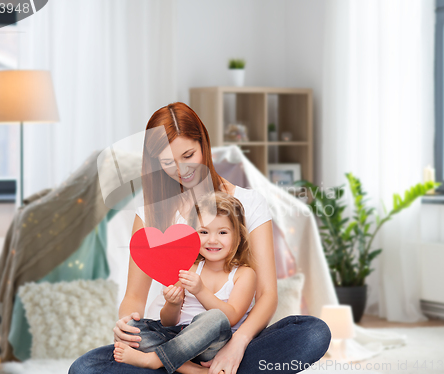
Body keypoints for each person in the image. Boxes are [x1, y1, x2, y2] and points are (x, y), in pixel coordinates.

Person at [69, 102, 331, 374]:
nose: (181, 169)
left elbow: (267, 295)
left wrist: (237, 345)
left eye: (188, 154)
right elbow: (134, 296)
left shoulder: (248, 202)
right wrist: (126, 325)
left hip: (228, 337)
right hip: (169, 336)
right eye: (168, 162)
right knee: (84, 368)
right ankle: (193, 368)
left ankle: (196, 367)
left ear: (203, 144)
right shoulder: (149, 213)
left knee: (313, 332)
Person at [113, 192, 256, 374]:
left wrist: (200, 290)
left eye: (222, 232)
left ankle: (154, 360)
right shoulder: (190, 268)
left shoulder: (243, 274)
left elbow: (231, 317)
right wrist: (173, 303)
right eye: (204, 232)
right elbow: (168, 322)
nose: (212, 240)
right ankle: (195, 371)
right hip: (178, 339)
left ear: (238, 236)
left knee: (215, 318)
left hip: (213, 345)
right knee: (132, 328)